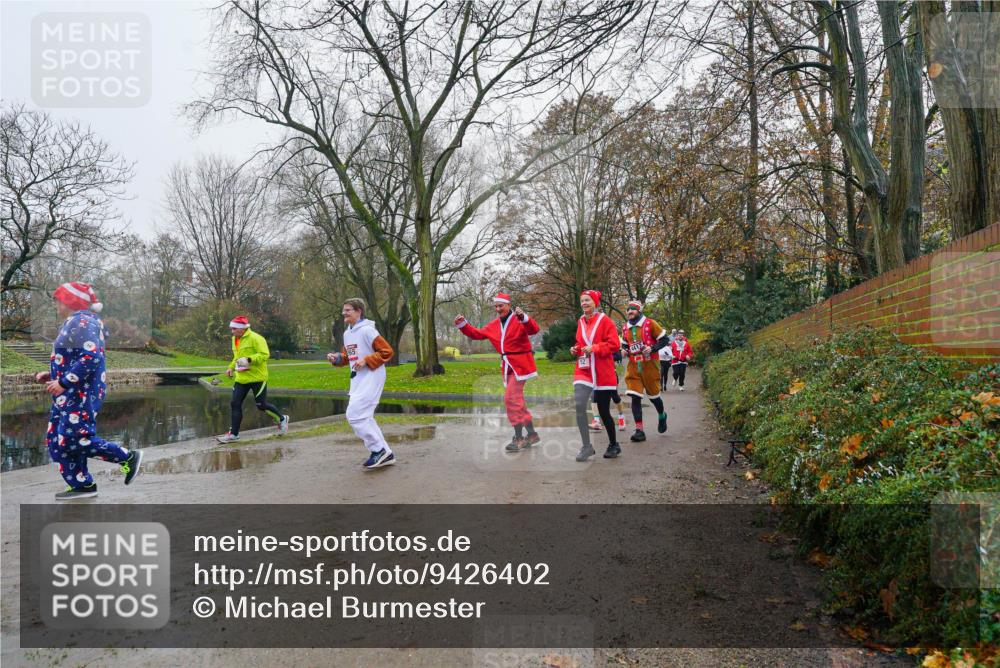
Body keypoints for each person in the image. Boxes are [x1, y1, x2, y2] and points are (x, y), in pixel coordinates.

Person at [36, 282, 143, 500]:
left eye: (59, 300)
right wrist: (54, 375)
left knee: (75, 438)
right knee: (57, 440)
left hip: (79, 394)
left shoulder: (82, 321)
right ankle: (82, 485)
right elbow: (75, 356)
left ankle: (127, 457)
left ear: (69, 301)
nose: (56, 305)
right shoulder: (77, 322)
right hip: (67, 394)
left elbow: (91, 356)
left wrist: (64, 382)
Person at [454, 293, 540, 452]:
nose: (498, 309)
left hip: (521, 365)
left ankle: (519, 438)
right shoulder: (494, 324)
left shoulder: (518, 319)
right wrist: (463, 325)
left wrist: (524, 318)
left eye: (501, 305)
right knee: (517, 400)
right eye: (496, 306)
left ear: (509, 305)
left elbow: (534, 329)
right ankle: (532, 434)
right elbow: (477, 334)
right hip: (507, 366)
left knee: (510, 398)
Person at [327, 299, 396, 469]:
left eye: (348, 310)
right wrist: (337, 358)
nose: (344, 313)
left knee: (355, 415)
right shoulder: (347, 333)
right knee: (364, 417)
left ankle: (378, 450)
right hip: (357, 379)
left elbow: (387, 352)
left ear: (359, 311)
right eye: (343, 310)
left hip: (373, 375)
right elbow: (348, 356)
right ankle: (384, 452)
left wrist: (366, 360)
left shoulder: (367, 331)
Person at [216, 316, 289, 443]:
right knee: (235, 403)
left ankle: (282, 419)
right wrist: (231, 367)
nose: (231, 331)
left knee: (261, 405)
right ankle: (233, 435)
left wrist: (248, 360)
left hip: (257, 377)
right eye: (231, 329)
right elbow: (237, 357)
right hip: (241, 378)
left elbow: (264, 355)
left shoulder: (256, 338)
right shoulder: (235, 339)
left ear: (241, 329)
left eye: (234, 329)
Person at [570, 290, 622, 462]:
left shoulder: (605, 321)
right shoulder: (580, 321)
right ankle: (587, 446)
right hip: (584, 369)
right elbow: (580, 342)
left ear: (595, 302)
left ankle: (614, 444)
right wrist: (575, 349)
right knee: (579, 405)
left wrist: (596, 348)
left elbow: (614, 345)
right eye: (582, 300)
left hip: (601, 371)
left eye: (587, 300)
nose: (584, 303)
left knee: (604, 411)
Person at [621, 300, 669, 441]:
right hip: (633, 366)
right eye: (628, 310)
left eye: (633, 309)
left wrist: (652, 348)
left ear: (639, 310)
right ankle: (639, 430)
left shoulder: (650, 323)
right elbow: (625, 345)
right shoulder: (625, 328)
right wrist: (624, 351)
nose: (630, 312)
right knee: (635, 396)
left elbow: (664, 339)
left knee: (654, 397)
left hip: (650, 365)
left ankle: (662, 415)